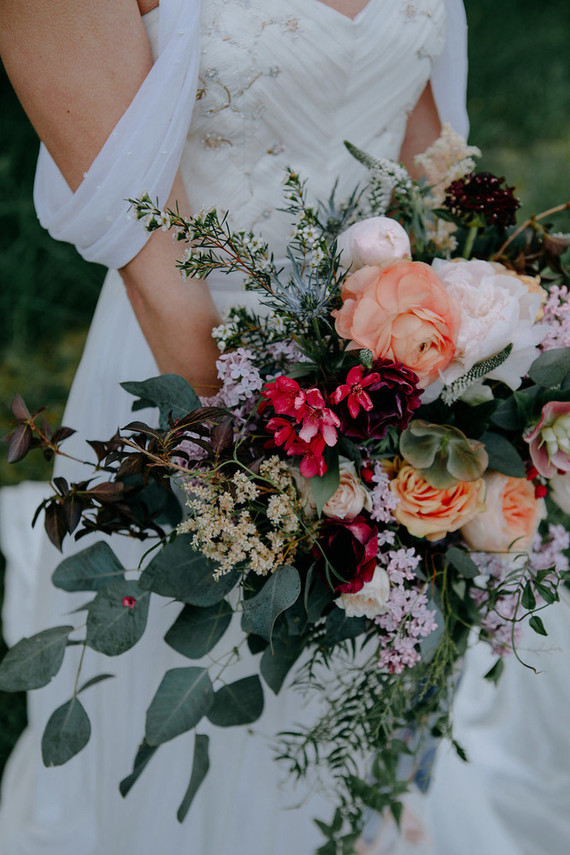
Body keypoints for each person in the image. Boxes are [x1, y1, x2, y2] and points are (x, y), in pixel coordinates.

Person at [0, 1, 469, 853]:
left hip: (390, 371)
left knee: (360, 681)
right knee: (208, 683)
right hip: (193, 384)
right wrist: (265, 478)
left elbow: (426, 164)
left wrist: (455, 377)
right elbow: (159, 264)